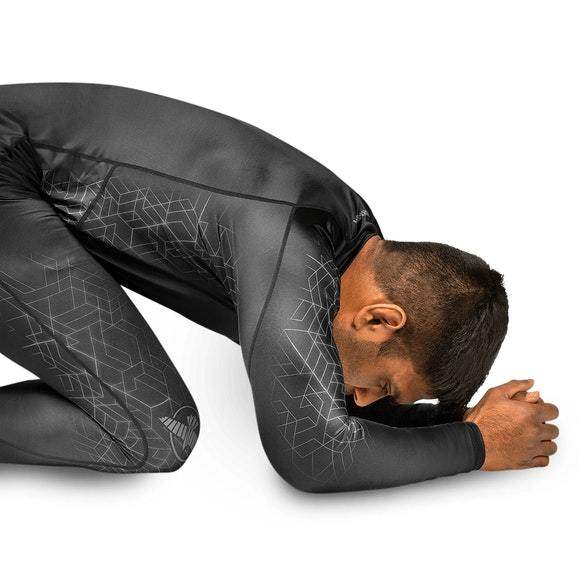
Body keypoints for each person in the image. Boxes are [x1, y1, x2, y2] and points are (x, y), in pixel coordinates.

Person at [0, 83, 559, 492]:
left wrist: (461, 420)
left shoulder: (352, 253)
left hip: (23, 185)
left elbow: (331, 409)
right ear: (380, 319)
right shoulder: (292, 246)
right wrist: (476, 446)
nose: (364, 399)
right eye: (384, 385)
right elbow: (312, 452)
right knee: (155, 432)